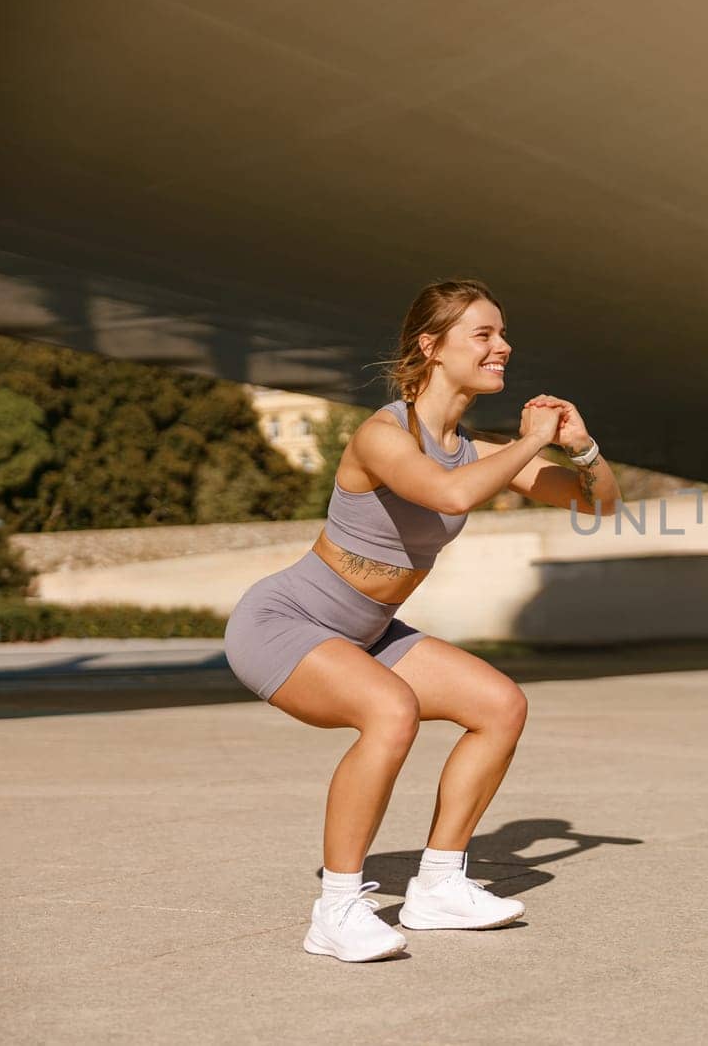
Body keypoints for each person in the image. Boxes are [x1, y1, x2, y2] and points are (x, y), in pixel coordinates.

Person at [224, 278, 620, 962]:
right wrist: (530, 441)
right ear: (431, 348)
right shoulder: (382, 434)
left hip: (367, 631)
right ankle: (337, 907)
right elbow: (446, 491)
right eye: (485, 334)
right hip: (283, 622)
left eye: (502, 333)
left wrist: (580, 447)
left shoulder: (471, 447)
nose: (504, 345)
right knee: (391, 711)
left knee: (500, 705)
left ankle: (437, 884)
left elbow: (598, 505)